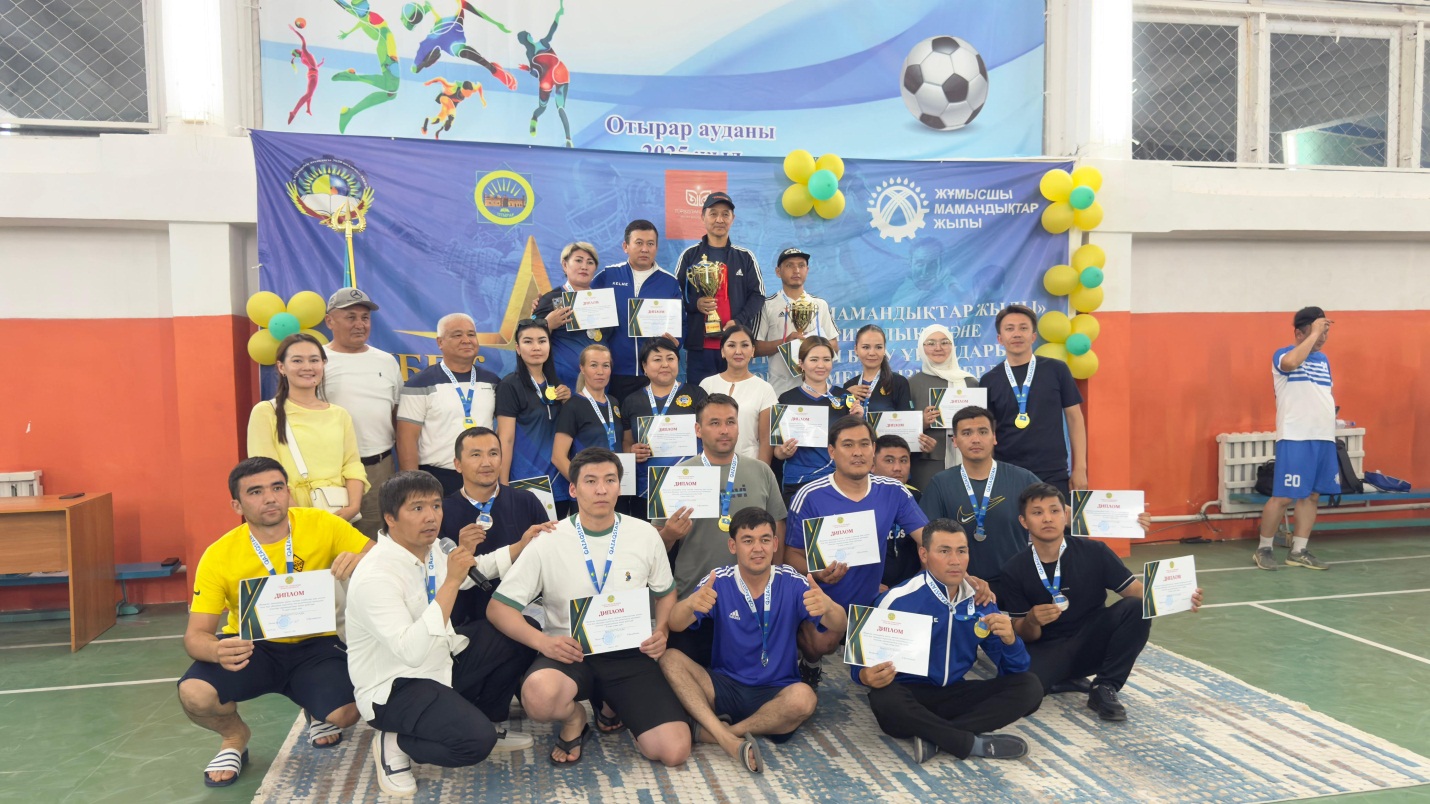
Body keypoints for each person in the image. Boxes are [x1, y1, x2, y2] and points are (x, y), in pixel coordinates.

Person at [487, 448, 691, 767]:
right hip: (570, 652)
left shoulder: (645, 534)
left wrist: (661, 630)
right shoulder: (548, 540)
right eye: (591, 481)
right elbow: (498, 608)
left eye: (610, 480)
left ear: (619, 486)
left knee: (673, 752)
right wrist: (544, 642)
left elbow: (666, 593)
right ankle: (575, 719)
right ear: (573, 489)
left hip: (628, 653)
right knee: (538, 698)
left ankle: (611, 702)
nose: (601, 489)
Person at [178, 458, 371, 787]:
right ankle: (234, 738)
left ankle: (316, 708)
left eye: (277, 487)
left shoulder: (322, 524)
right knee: (194, 693)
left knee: (346, 713)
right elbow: (195, 636)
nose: (269, 498)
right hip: (252, 646)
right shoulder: (218, 554)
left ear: (288, 492)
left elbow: (383, 557)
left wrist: (363, 558)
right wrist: (216, 651)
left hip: (316, 644)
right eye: (255, 492)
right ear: (237, 505)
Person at [346, 470, 538, 796]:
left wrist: (520, 546)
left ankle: (485, 717)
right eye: (417, 508)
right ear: (390, 518)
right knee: (475, 742)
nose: (431, 517)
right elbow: (411, 651)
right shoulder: (375, 576)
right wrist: (451, 581)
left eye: (436, 506)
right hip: (395, 687)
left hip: (440, 662)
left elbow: (472, 569)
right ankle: (396, 742)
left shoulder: (431, 547)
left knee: (520, 633)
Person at [661, 507, 844, 773]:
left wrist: (829, 607)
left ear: (775, 544)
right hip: (725, 685)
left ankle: (719, 733)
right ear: (733, 546)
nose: (757, 548)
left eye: (765, 540)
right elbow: (676, 623)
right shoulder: (718, 580)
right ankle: (727, 736)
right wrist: (690, 604)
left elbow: (840, 625)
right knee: (670, 660)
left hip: (776, 689)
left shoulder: (792, 581)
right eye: (748, 540)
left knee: (805, 698)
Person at [998, 483, 1199, 720]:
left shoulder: (1094, 551)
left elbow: (1135, 591)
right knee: (1022, 693)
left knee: (1135, 607)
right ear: (1024, 522)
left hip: (1092, 642)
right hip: (1049, 647)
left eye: (1054, 510)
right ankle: (1063, 678)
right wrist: (1032, 620)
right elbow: (1024, 634)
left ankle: (1105, 686)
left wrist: (1181, 596)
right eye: (1037, 512)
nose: (1047, 518)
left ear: (1065, 516)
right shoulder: (1014, 569)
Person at [857, 519, 1042, 764]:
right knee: (884, 699)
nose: (955, 560)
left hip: (955, 694)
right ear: (924, 554)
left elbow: (1014, 672)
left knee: (1030, 687)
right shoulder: (897, 599)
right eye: (944, 551)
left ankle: (936, 737)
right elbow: (860, 666)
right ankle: (970, 743)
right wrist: (865, 676)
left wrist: (1011, 641)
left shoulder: (981, 601)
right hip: (908, 694)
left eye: (961, 551)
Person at [784, 416, 931, 687]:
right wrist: (819, 572)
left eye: (864, 444)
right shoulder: (809, 495)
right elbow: (790, 556)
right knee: (822, 643)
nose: (857, 452)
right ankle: (810, 662)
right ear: (832, 451)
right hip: (822, 599)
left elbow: (928, 540)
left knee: (896, 668)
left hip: (869, 599)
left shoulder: (893, 491)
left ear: (873, 449)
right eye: (848, 445)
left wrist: (959, 574)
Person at [655, 394, 787, 666]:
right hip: (694, 597)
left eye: (730, 422)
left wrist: (776, 581)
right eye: (714, 423)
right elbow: (655, 549)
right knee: (684, 671)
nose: (724, 430)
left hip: (754, 598)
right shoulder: (675, 476)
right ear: (698, 429)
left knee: (755, 674)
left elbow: (778, 529)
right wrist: (669, 534)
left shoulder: (762, 471)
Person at [439, 427, 558, 626]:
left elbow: (549, 561)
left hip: (524, 615)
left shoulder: (526, 501)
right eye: (476, 455)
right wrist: (463, 551)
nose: (486, 462)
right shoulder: (441, 512)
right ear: (457, 465)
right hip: (467, 622)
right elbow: (440, 579)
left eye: (493, 453)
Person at [247, 333, 367, 523]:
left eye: (314, 360)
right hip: (289, 515)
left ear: (323, 364)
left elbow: (352, 466)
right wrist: (302, 518)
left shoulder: (340, 414)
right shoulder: (266, 412)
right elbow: (265, 473)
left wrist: (353, 507)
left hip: (338, 513)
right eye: (297, 360)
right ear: (281, 367)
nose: (307, 367)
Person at [921, 406, 1042, 585]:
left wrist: (1085, 515)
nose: (976, 439)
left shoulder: (1023, 478)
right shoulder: (940, 483)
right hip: (960, 584)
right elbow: (926, 540)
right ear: (955, 441)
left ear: (994, 437)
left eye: (983, 432)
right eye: (967, 433)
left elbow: (1057, 512)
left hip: (1016, 584)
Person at [1255, 307, 1335, 571]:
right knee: (1283, 496)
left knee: (1312, 495)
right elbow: (1290, 364)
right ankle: (1264, 549)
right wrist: (1313, 334)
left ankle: (1298, 551)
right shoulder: (1283, 355)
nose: (1322, 338)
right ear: (1300, 334)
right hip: (1295, 436)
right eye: (1317, 332)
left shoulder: (1323, 360)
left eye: (1325, 332)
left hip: (1323, 437)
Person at [979, 304, 1087, 502]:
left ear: (1033, 336)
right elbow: (988, 431)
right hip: (1007, 473)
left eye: (1023, 328)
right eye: (1009, 329)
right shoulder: (989, 380)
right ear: (1000, 338)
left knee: (1057, 521)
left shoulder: (1057, 370)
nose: (1017, 334)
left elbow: (1075, 418)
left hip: (1053, 472)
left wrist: (1080, 468)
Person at [322, 288, 401, 538]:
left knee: (375, 540)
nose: (360, 324)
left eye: (365, 318)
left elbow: (396, 414)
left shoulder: (387, 361)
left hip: (378, 468)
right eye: (351, 317)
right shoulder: (316, 361)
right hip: (331, 470)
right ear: (329, 321)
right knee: (330, 539)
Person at [397, 313, 501, 496]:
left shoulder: (492, 381)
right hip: (437, 479)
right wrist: (414, 489)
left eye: (471, 334)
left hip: (484, 477)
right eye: (457, 335)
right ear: (440, 342)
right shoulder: (419, 384)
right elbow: (406, 440)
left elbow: (506, 429)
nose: (466, 340)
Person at [677, 192, 766, 386]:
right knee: (700, 398)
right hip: (700, 349)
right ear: (703, 216)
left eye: (725, 214)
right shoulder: (690, 256)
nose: (719, 219)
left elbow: (758, 296)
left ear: (732, 218)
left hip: (735, 347)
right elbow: (676, 296)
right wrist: (695, 304)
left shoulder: (745, 257)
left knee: (736, 398)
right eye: (713, 213)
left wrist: (738, 321)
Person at [591, 220, 682, 402]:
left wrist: (677, 342)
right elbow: (581, 303)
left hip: (655, 374)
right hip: (613, 371)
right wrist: (547, 303)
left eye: (650, 244)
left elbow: (682, 323)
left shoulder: (669, 282)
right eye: (639, 243)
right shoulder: (608, 276)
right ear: (625, 246)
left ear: (656, 247)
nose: (645, 249)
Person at [495, 319, 572, 514]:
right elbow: (506, 438)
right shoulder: (510, 385)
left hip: (559, 482)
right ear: (518, 348)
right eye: (528, 341)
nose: (536, 347)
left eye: (542, 341)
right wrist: (503, 486)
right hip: (526, 481)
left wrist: (568, 402)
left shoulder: (558, 385)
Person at [772, 337, 863, 500]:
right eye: (814, 359)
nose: (821, 365)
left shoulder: (844, 397)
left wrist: (858, 420)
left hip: (838, 480)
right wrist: (783, 452)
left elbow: (857, 444)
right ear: (801, 363)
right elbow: (777, 452)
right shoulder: (786, 399)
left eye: (826, 359)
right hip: (799, 481)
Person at [622, 338, 706, 511]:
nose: (665, 364)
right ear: (644, 366)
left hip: (690, 486)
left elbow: (710, 435)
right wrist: (631, 451)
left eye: (670, 358)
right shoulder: (632, 401)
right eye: (657, 359)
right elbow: (626, 441)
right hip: (646, 490)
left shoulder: (697, 394)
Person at [753, 247, 840, 396]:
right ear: (778, 272)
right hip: (780, 389)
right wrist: (785, 342)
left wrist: (810, 344)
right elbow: (755, 348)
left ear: (807, 270)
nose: (796, 270)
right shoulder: (767, 305)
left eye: (801, 265)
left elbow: (834, 345)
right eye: (789, 265)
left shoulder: (819, 304)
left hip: (815, 391)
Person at [908, 324, 979, 491]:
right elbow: (901, 431)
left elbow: (983, 423)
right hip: (927, 461)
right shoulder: (911, 384)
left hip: (968, 457)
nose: (938, 348)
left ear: (952, 346)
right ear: (921, 348)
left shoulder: (970, 382)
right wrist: (922, 423)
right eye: (931, 343)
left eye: (944, 342)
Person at [698, 325, 776, 464]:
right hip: (710, 466)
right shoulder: (707, 384)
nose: (738, 351)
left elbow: (766, 441)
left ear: (753, 351)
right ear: (722, 351)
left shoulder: (765, 389)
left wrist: (761, 472)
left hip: (749, 464)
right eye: (731, 345)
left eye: (745, 345)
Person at [553, 344, 625, 486]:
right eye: (593, 365)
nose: (600, 372)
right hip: (589, 490)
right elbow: (558, 457)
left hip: (615, 486)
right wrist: (582, 485)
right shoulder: (572, 406)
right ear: (582, 368)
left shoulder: (614, 402)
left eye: (605, 366)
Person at [534, 242, 603, 388]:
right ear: (565, 265)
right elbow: (529, 339)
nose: (584, 266)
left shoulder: (603, 301)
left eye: (590, 262)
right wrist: (547, 325)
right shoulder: (550, 299)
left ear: (595, 268)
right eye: (578, 260)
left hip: (597, 384)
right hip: (561, 384)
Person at [516, 0, 573, 147]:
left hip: (547, 79)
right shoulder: (542, 44)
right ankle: (568, 139)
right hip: (560, 72)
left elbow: (535, 74)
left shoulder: (530, 55)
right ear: (528, 37)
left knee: (542, 107)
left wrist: (527, 69)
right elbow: (552, 30)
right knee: (560, 107)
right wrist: (558, 15)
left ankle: (534, 118)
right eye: (528, 34)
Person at [873, 435, 924, 591]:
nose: (897, 468)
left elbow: (928, 543)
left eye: (903, 460)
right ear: (872, 465)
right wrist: (866, 585)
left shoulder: (917, 496)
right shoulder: (860, 499)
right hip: (871, 590)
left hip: (911, 589)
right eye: (889, 460)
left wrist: (919, 583)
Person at [841, 324, 913, 414]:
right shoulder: (849, 386)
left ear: (884, 349)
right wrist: (845, 394)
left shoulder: (898, 383)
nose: (872, 353)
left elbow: (908, 420)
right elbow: (841, 420)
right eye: (866, 347)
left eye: (878, 347)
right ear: (856, 349)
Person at [420, 76, 484, 139]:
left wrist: (482, 98)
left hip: (452, 103)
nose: (469, 95)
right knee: (451, 109)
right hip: (444, 97)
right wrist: (430, 82)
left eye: (470, 93)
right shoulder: (453, 88)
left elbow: (479, 85)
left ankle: (429, 120)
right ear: (462, 89)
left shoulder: (472, 89)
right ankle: (450, 119)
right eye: (467, 93)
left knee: (442, 117)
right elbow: (441, 79)